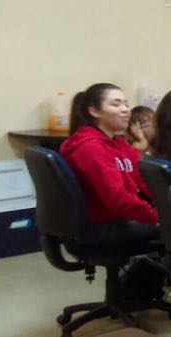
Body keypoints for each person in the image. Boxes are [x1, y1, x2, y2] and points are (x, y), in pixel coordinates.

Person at [60, 83, 160, 246]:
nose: (126, 109)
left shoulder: (118, 143)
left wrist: (169, 202)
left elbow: (143, 178)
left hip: (117, 218)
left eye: (126, 104)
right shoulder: (90, 147)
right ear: (94, 111)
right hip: (101, 227)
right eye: (116, 104)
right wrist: (154, 216)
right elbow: (117, 199)